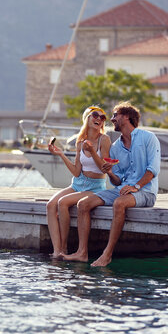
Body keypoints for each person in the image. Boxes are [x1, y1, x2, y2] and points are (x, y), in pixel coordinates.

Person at [63, 101, 160, 267]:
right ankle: (82, 252)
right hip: (122, 189)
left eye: (115, 115)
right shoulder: (116, 148)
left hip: (145, 191)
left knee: (119, 203)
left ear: (127, 117)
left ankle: (107, 255)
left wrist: (135, 186)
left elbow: (152, 170)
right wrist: (109, 172)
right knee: (83, 204)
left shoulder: (148, 138)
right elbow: (118, 181)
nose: (111, 119)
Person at [46, 106, 111, 258]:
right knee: (50, 205)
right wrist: (61, 154)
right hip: (78, 183)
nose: (99, 119)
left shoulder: (104, 139)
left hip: (95, 187)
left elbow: (104, 169)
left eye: (102, 118)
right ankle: (57, 251)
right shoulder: (80, 142)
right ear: (87, 118)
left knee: (63, 202)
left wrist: (93, 152)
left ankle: (64, 247)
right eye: (95, 115)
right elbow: (76, 171)